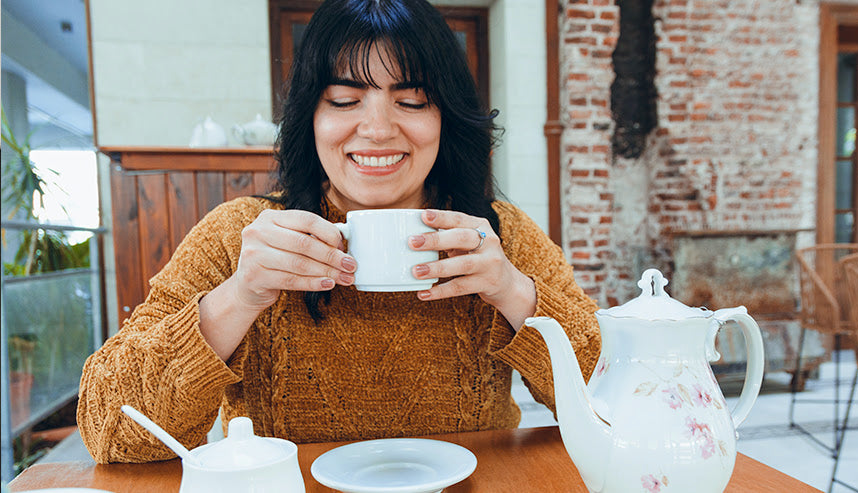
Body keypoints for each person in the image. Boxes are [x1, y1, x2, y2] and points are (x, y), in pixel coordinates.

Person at [77, 0, 601, 464]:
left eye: (412, 100)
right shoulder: (240, 236)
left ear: (447, 117)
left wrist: (514, 293)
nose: (376, 129)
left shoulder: (496, 236)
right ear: (310, 116)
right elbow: (110, 432)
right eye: (345, 100)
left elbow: (615, 403)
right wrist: (238, 297)